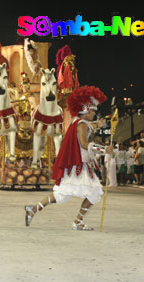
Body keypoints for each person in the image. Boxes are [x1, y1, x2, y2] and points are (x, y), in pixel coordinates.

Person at [25, 86, 106, 231]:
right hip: (79, 167)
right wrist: (104, 149)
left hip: (76, 166)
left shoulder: (78, 123)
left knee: (61, 195)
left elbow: (88, 129)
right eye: (93, 110)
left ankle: (33, 209)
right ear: (85, 110)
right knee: (94, 192)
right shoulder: (81, 125)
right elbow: (84, 143)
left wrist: (97, 126)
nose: (95, 113)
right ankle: (78, 221)